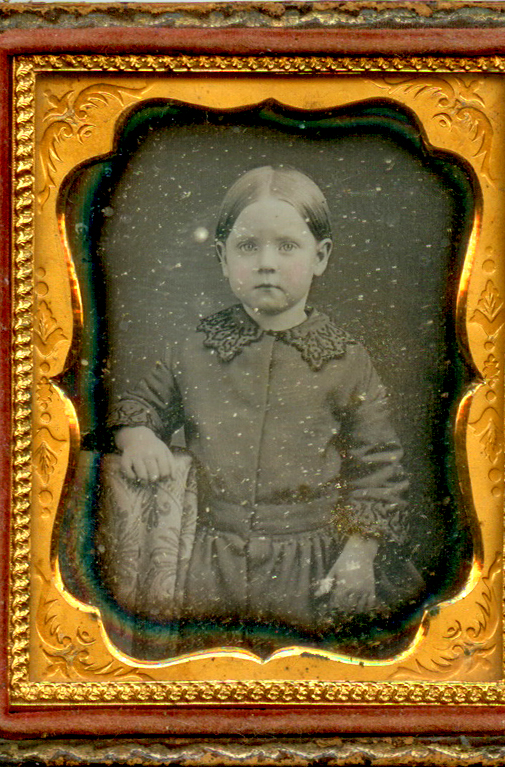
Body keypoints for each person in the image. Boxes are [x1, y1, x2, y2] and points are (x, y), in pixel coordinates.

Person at [107, 165, 411, 647]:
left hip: (311, 563)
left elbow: (379, 470)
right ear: (222, 257)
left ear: (320, 256)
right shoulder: (194, 348)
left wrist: (359, 554)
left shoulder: (346, 360)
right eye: (248, 246)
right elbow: (139, 405)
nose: (266, 262)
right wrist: (139, 437)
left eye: (287, 246)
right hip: (207, 562)